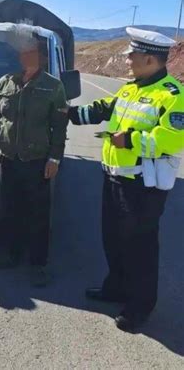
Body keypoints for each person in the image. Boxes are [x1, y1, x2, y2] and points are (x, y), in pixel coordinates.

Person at [69, 27, 184, 332]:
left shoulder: (172, 94)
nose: (128, 61)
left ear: (149, 59)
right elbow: (104, 109)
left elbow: (173, 140)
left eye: (133, 56)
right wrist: (67, 113)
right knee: (114, 239)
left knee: (140, 248)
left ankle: (139, 307)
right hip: (116, 178)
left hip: (143, 186)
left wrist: (131, 140)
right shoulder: (131, 89)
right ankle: (116, 288)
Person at [0, 32, 68, 286]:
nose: (26, 56)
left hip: (37, 160)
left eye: (32, 52)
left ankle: (38, 264)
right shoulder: (5, 83)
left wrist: (54, 159)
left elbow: (59, 127)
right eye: (23, 52)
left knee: (38, 214)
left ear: (41, 57)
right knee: (11, 209)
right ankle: (12, 254)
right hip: (8, 159)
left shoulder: (53, 86)